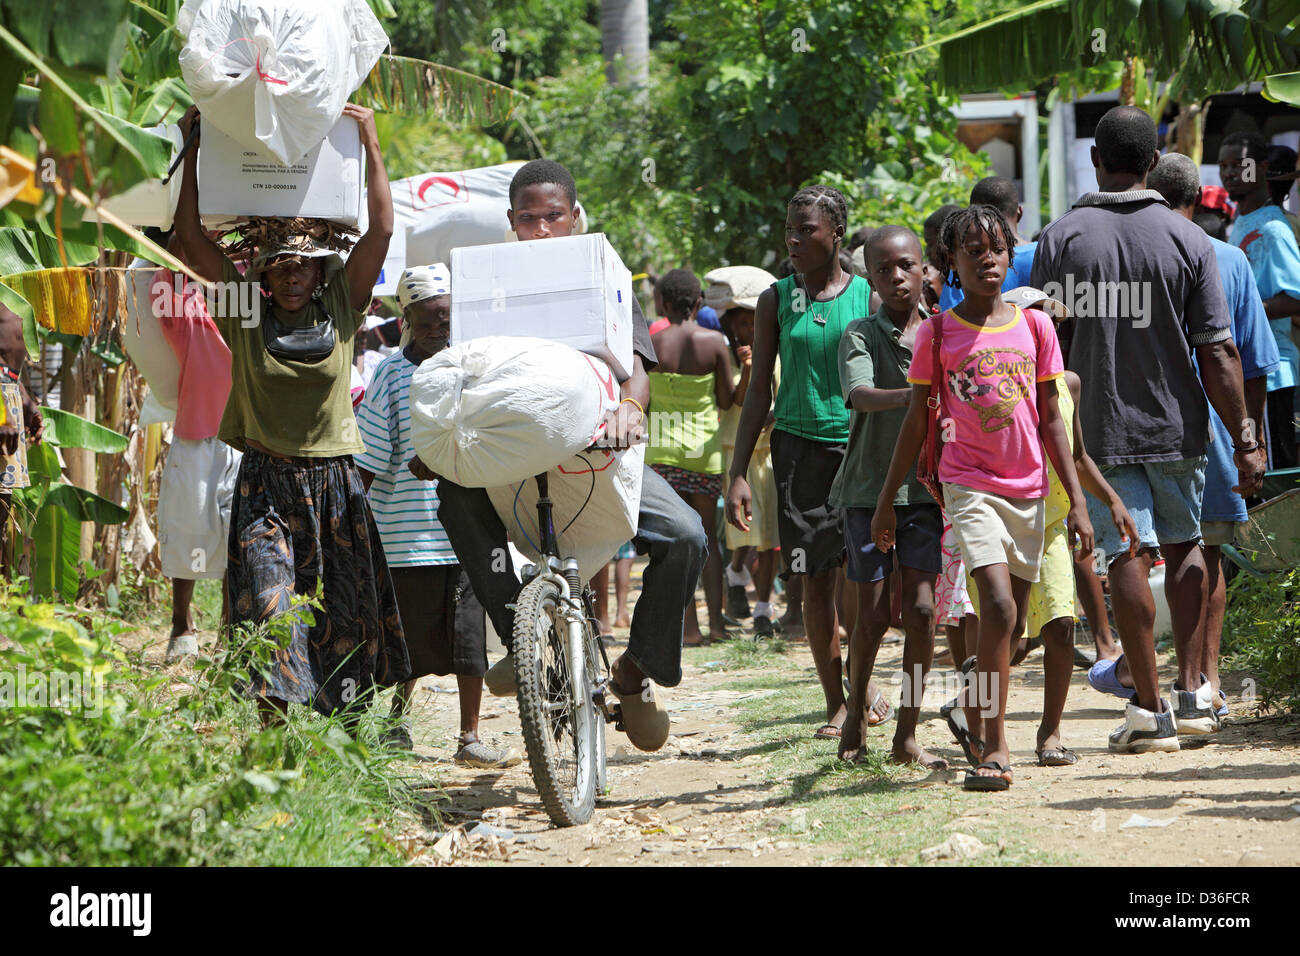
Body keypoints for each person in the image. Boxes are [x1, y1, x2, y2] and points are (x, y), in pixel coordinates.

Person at [430, 159, 707, 753]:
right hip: (511, 452)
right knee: (452, 496)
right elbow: (464, 373)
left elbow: (633, 365)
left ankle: (636, 670)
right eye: (528, 218)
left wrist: (630, 408)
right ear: (511, 221)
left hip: (598, 445)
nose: (542, 229)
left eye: (554, 216)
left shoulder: (602, 275)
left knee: (685, 534)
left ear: (575, 217)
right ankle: (516, 631)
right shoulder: (485, 284)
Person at [1032, 106, 1266, 753]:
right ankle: (1194, 696)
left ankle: (1149, 707)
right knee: (1188, 542)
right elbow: (1218, 351)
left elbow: (1055, 343)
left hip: (1098, 431)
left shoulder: (1066, 236)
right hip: (1178, 423)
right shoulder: (1188, 237)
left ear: (1098, 160)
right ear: (1153, 162)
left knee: (1126, 553)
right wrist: (1244, 437)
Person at [172, 102, 410, 727]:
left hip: (333, 486)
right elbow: (190, 241)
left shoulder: (341, 306)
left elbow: (381, 232)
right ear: (263, 272)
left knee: (339, 618)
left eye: (302, 263)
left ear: (320, 267)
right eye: (279, 265)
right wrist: (194, 148)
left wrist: (373, 145)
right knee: (273, 609)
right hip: (265, 486)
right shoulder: (244, 312)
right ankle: (276, 738)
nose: (292, 276)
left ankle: (344, 741)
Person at [874, 205, 1093, 791]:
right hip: (967, 485)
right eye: (973, 251)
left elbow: (1053, 418)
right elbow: (916, 423)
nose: (987, 259)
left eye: (997, 248)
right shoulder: (938, 333)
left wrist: (1077, 500)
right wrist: (884, 501)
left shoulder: (1037, 327)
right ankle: (994, 748)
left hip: (1031, 490)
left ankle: (974, 710)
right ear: (950, 262)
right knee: (994, 604)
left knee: (1015, 626)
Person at [354, 263, 520, 768]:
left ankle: (469, 739)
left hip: (465, 531)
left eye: (445, 318)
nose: (437, 330)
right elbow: (371, 458)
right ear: (405, 317)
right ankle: (397, 721)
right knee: (405, 638)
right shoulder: (389, 374)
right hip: (404, 535)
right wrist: (350, 523)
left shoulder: (476, 366)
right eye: (425, 320)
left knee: (469, 639)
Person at [726, 184, 870, 742]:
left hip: (858, 452)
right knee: (813, 583)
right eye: (788, 229)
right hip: (795, 454)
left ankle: (863, 684)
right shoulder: (775, 299)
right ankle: (835, 700)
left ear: (836, 233)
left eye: (805, 229)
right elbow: (759, 387)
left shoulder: (868, 297)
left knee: (863, 581)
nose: (793, 240)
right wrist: (738, 472)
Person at [1142, 153, 1279, 720]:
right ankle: (1207, 683)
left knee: (1151, 551)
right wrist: (1251, 437)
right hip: (1218, 428)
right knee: (1210, 548)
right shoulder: (1226, 257)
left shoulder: (1136, 257)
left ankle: (1159, 685)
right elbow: (1249, 363)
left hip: (1142, 427)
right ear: (1198, 199)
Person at [831, 226, 946, 769]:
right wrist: (918, 394)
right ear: (869, 277)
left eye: (906, 265)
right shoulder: (860, 333)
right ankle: (854, 715)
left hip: (925, 491)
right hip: (867, 491)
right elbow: (858, 395)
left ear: (925, 269)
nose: (897, 277)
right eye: (883, 270)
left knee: (922, 613)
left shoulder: (944, 334)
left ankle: (907, 731)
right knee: (873, 617)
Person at [146, 228, 242, 662]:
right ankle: (181, 625)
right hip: (197, 439)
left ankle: (229, 632)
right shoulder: (187, 313)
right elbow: (169, 271)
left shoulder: (253, 313)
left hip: (246, 441)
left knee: (239, 539)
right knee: (187, 532)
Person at [645, 268, 736, 644]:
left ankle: (690, 628)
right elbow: (726, 400)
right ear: (698, 303)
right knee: (709, 542)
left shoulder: (651, 344)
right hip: (704, 453)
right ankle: (717, 624)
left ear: (663, 303)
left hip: (663, 454)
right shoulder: (714, 341)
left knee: (675, 543)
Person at [705, 265, 783, 638]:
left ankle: (764, 609)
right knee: (744, 532)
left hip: (770, 450)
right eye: (738, 325)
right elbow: (737, 400)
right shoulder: (729, 355)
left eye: (750, 323)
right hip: (738, 451)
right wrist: (750, 369)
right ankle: (736, 571)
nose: (744, 331)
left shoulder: (782, 350)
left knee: (769, 537)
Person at [1219, 130, 1300, 469]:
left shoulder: (1274, 229)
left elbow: (1296, 298)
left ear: (1263, 168)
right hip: (1251, 373)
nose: (1229, 174)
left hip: (1276, 372)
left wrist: (1244, 311)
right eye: (1223, 166)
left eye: (1239, 165)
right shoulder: (1242, 221)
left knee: (1278, 474)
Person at [937, 177, 1036, 312]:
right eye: (975, 251)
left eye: (999, 250)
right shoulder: (1045, 254)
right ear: (1019, 212)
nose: (989, 260)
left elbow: (952, 320)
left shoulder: (963, 262)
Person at [0, 303, 44, 577]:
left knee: (2, 508)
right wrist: (2, 413)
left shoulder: (14, 292)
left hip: (9, 398)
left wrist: (27, 404)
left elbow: (7, 369)